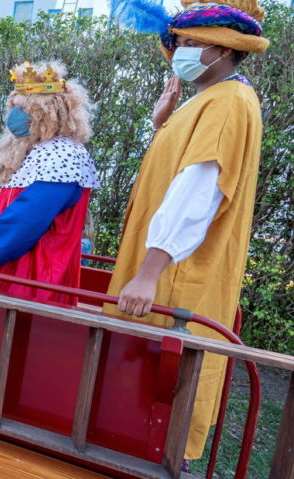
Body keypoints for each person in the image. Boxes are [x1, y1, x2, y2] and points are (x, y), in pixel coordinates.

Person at [107, 0, 270, 465]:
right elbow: (172, 173)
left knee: (155, 402)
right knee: (141, 399)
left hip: (173, 278)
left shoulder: (228, 103)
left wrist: (148, 273)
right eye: (179, 42)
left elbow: (197, 194)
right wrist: (161, 123)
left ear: (225, 49)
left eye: (193, 42)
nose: (181, 51)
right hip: (167, 272)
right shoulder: (211, 99)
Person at [0, 61, 100, 305]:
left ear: (48, 114)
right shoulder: (12, 148)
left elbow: (26, 219)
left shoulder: (65, 156)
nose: (15, 115)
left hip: (31, 280)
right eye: (14, 106)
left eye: (24, 109)